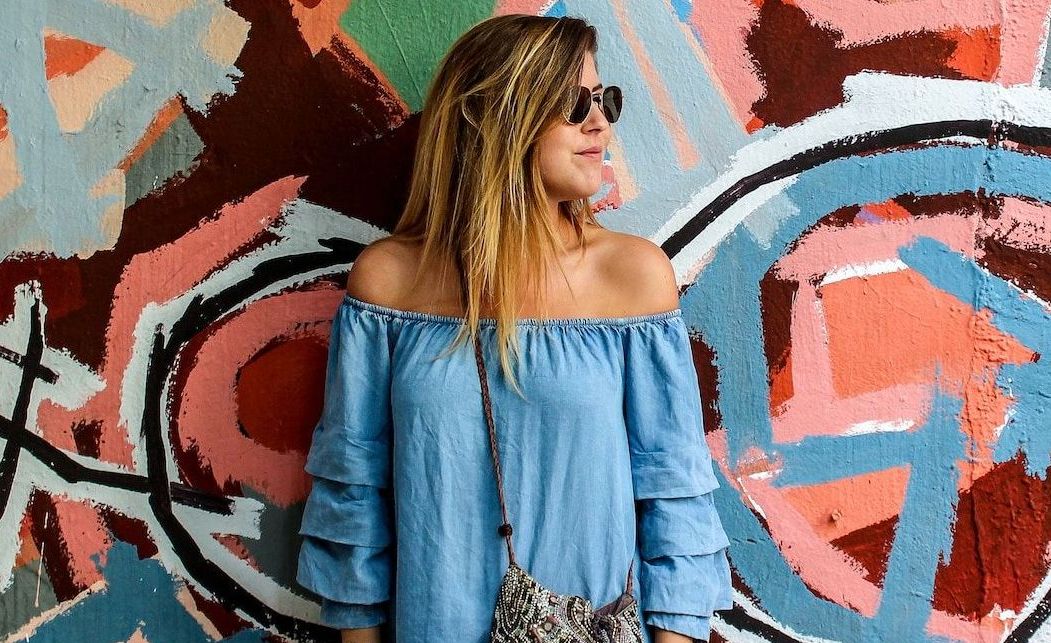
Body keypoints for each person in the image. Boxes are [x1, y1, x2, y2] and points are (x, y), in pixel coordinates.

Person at [295, 13, 732, 643]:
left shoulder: (631, 279)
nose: (600, 122)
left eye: (605, 100)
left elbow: (675, 495)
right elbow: (354, 498)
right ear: (494, 116)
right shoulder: (388, 285)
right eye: (573, 103)